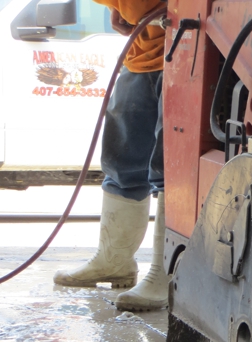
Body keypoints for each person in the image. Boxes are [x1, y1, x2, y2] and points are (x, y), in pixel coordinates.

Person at [53, 0, 169, 312]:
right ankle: (114, 260)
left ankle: (166, 274)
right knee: (122, 163)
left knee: (169, 171)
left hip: (187, 58)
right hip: (141, 60)